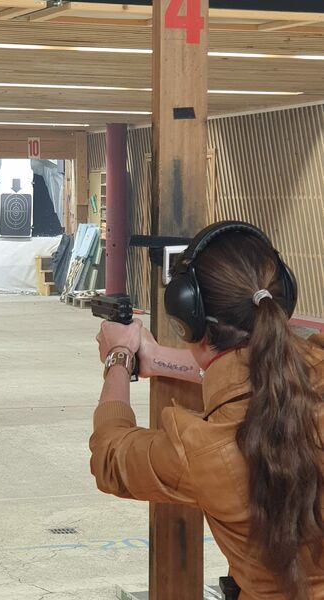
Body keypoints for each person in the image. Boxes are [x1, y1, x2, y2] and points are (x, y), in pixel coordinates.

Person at [90, 221, 323, 600]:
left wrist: (119, 357)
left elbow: (110, 455)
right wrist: (159, 359)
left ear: (189, 318)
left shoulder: (200, 450)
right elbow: (266, 371)